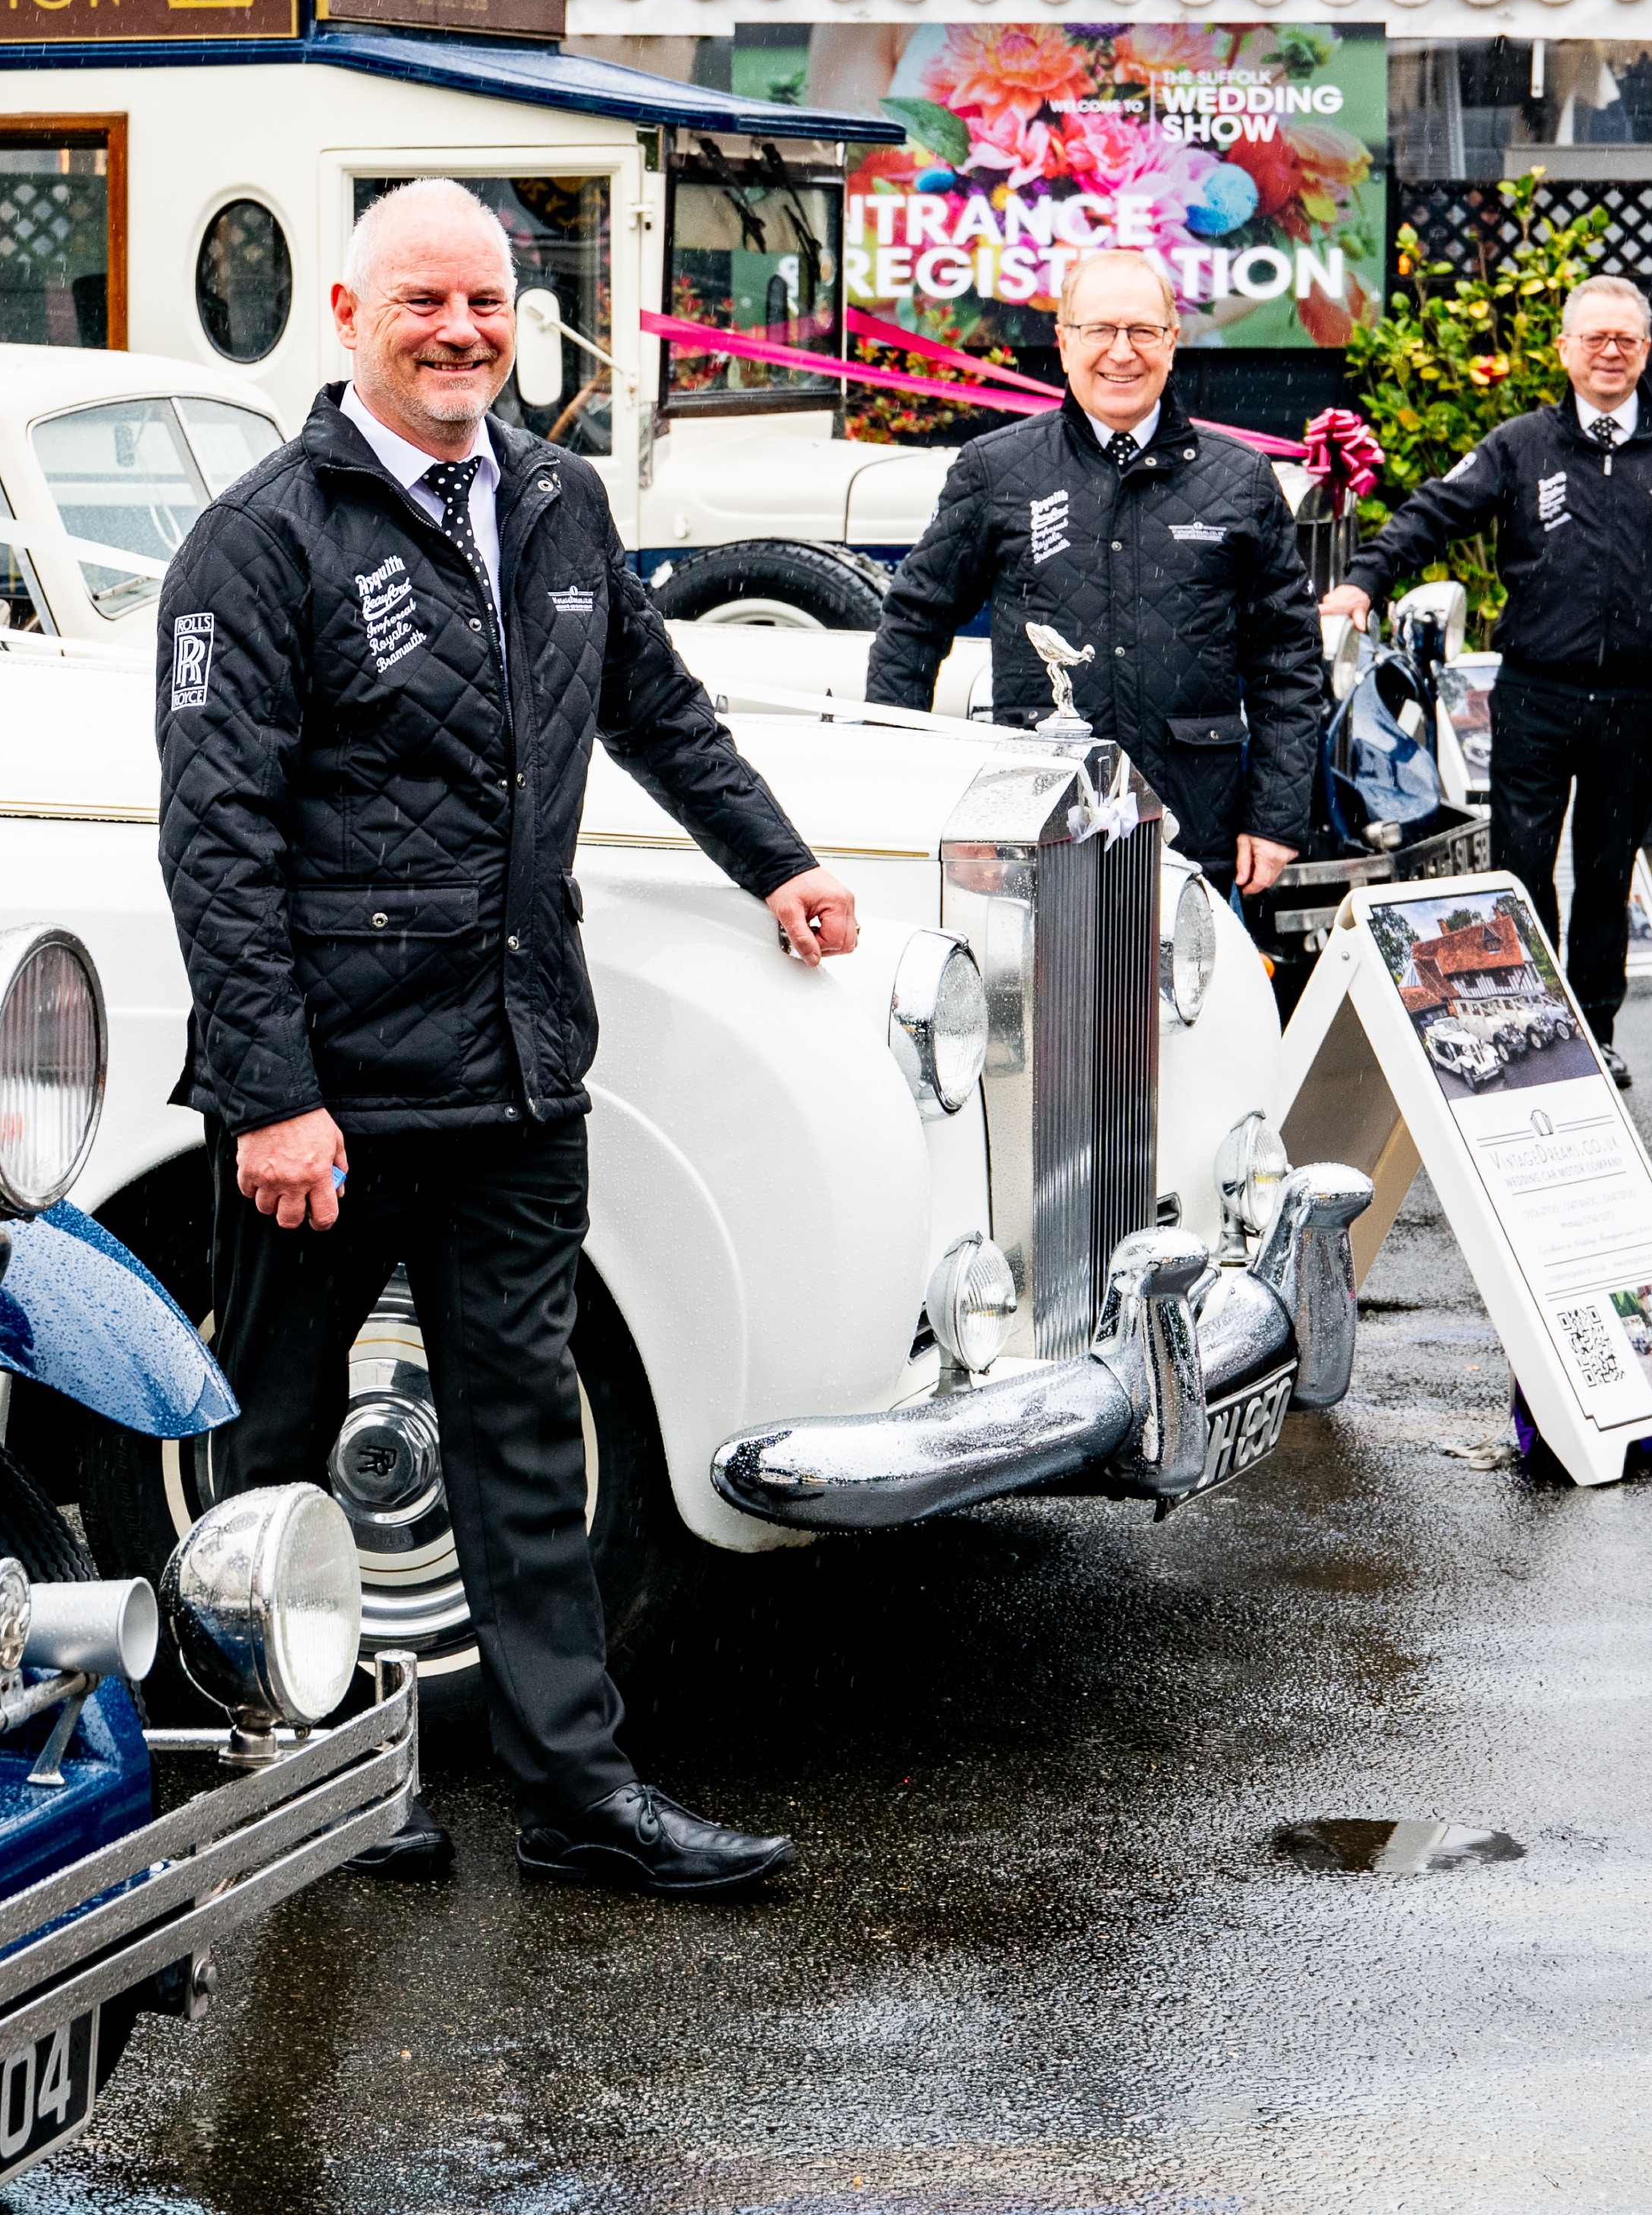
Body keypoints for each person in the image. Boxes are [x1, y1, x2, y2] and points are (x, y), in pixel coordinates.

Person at [156, 180, 856, 1897]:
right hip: (334, 1086)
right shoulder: (259, 539)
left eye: (484, 300)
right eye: (422, 302)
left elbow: (655, 707)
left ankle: (574, 1788)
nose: (461, 329)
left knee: (524, 1435)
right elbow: (212, 828)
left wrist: (779, 860)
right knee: (266, 1440)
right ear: (346, 313)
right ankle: (284, 1771)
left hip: (521, 1061)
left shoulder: (551, 501)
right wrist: (270, 1092)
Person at [1320, 270, 1652, 1085]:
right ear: (1566, 350)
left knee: (1609, 872)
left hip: (1638, 702)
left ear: (1646, 351)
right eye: (1595, 338)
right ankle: (1531, 1019)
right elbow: (1435, 513)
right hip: (1535, 695)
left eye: (1625, 339)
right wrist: (1366, 579)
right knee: (1518, 866)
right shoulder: (1520, 445)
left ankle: (1595, 1030)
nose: (1610, 353)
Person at [859, 248, 1326, 891]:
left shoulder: (1241, 480)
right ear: (1064, 341)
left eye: (1142, 331)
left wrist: (1276, 817)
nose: (1121, 351)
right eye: (1100, 330)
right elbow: (913, 624)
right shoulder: (996, 470)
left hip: (1194, 833)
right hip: (1038, 830)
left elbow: (1288, 659)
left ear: (1172, 342)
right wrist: (913, 794)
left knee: (1197, 994)